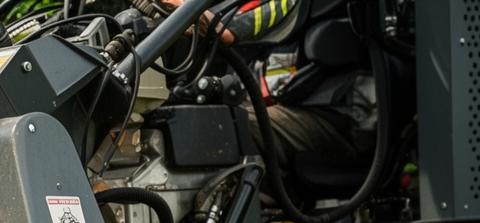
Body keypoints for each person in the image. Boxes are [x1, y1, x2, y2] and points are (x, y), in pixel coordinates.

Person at [160, 0, 374, 159]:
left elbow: (227, 28)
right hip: (280, 106)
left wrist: (208, 19)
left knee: (216, 128)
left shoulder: (280, 6)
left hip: (334, 114)